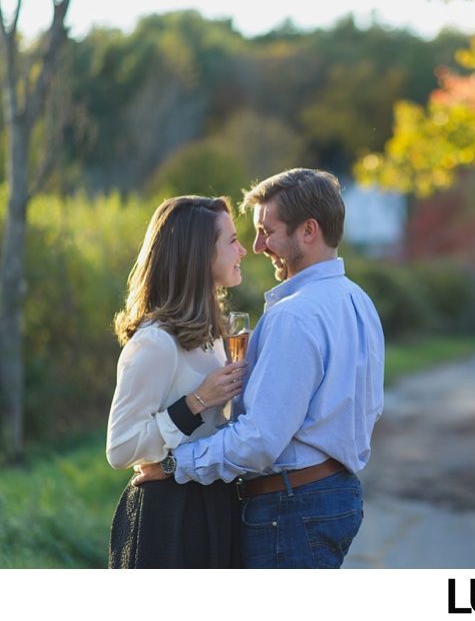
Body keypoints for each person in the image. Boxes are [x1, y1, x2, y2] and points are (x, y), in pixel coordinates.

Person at [131, 168, 385, 568]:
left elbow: (259, 440)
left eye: (268, 231)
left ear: (308, 231)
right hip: (336, 494)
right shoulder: (359, 302)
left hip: (290, 506)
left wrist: (174, 464)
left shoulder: (294, 316)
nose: (258, 245)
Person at [107, 196, 249, 568]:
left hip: (216, 511)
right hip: (168, 521)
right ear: (201, 254)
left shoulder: (216, 336)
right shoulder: (155, 342)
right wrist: (195, 402)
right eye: (232, 240)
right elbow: (120, 448)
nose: (244, 250)